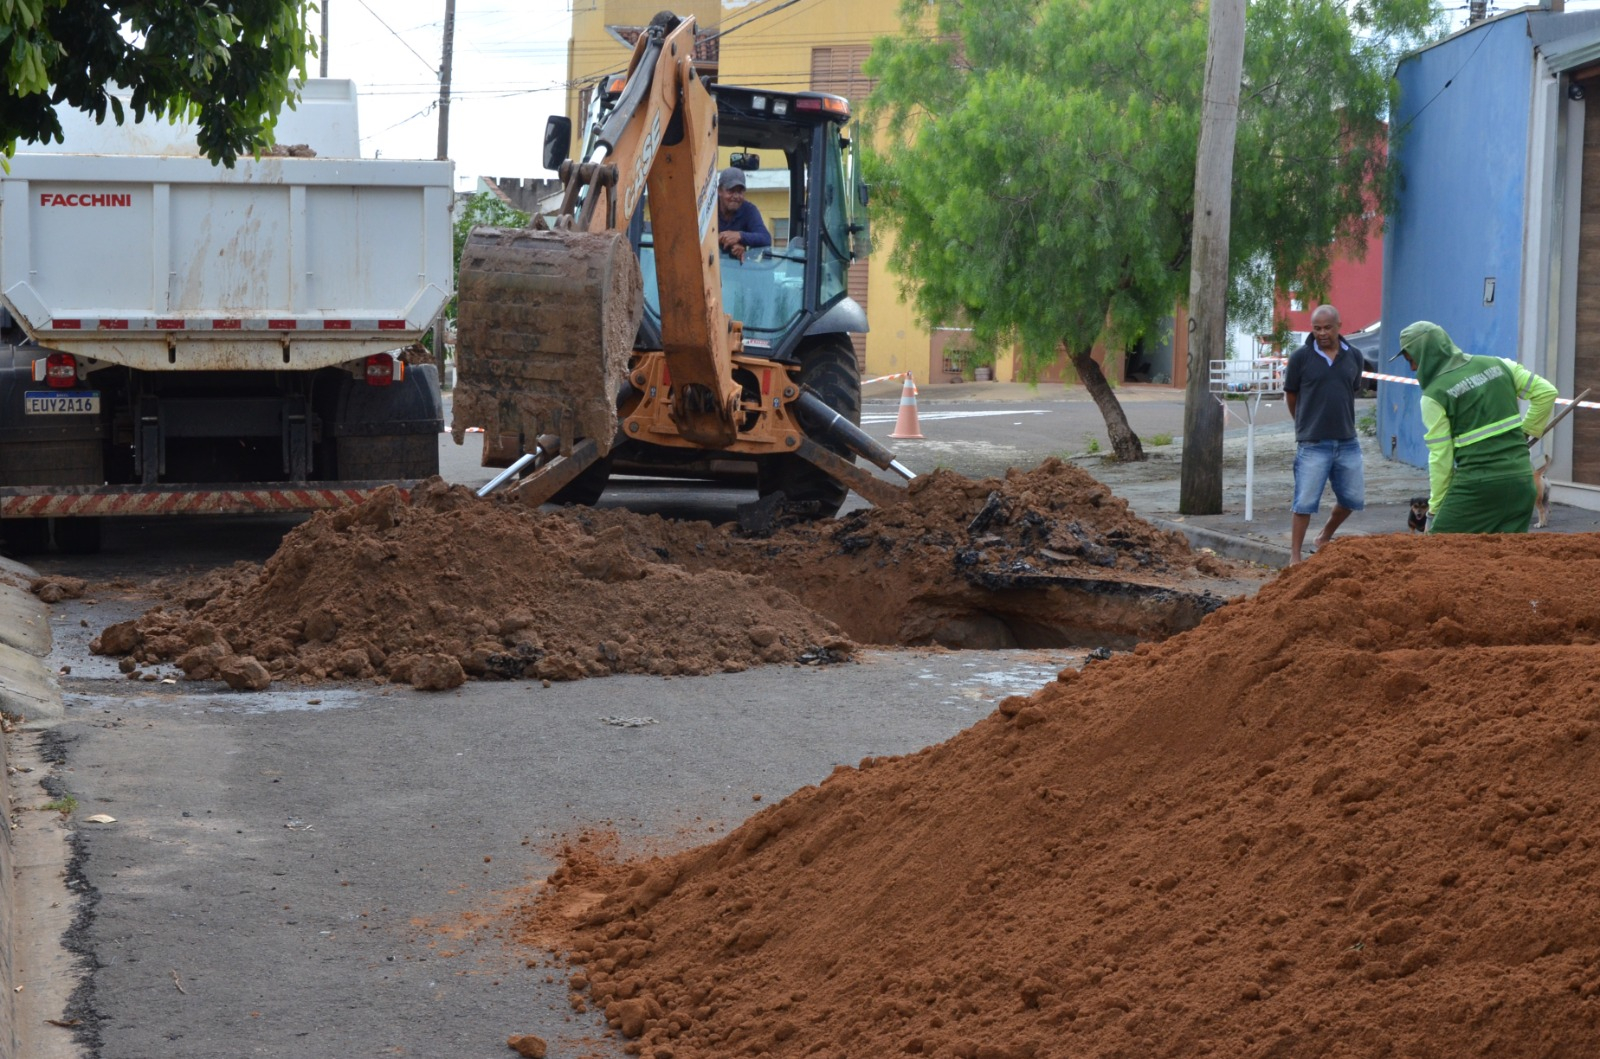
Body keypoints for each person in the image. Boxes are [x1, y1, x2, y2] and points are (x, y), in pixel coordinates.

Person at [1394, 320, 1557, 534]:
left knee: (1438, 555)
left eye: (1412, 359)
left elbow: (1440, 459)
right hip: (1521, 483)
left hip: (1477, 487)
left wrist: (1434, 510)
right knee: (1505, 559)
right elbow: (1546, 393)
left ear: (1427, 354)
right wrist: (1525, 432)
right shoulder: (1500, 364)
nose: (1413, 368)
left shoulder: (1434, 396)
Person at [1284, 304, 1366, 563]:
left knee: (1353, 498)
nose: (1322, 333)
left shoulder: (1354, 355)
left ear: (1339, 326)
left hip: (1347, 440)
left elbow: (1352, 389)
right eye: (1316, 328)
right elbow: (1291, 394)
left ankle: (1324, 536)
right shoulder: (1301, 357)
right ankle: (1295, 556)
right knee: (1304, 502)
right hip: (1313, 442)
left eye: (1327, 328)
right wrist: (1303, 423)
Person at [716, 167, 771, 262]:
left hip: (737, 270)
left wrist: (740, 237)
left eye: (740, 191)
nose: (736, 196)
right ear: (720, 191)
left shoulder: (749, 210)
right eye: (731, 191)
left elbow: (765, 238)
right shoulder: (709, 209)